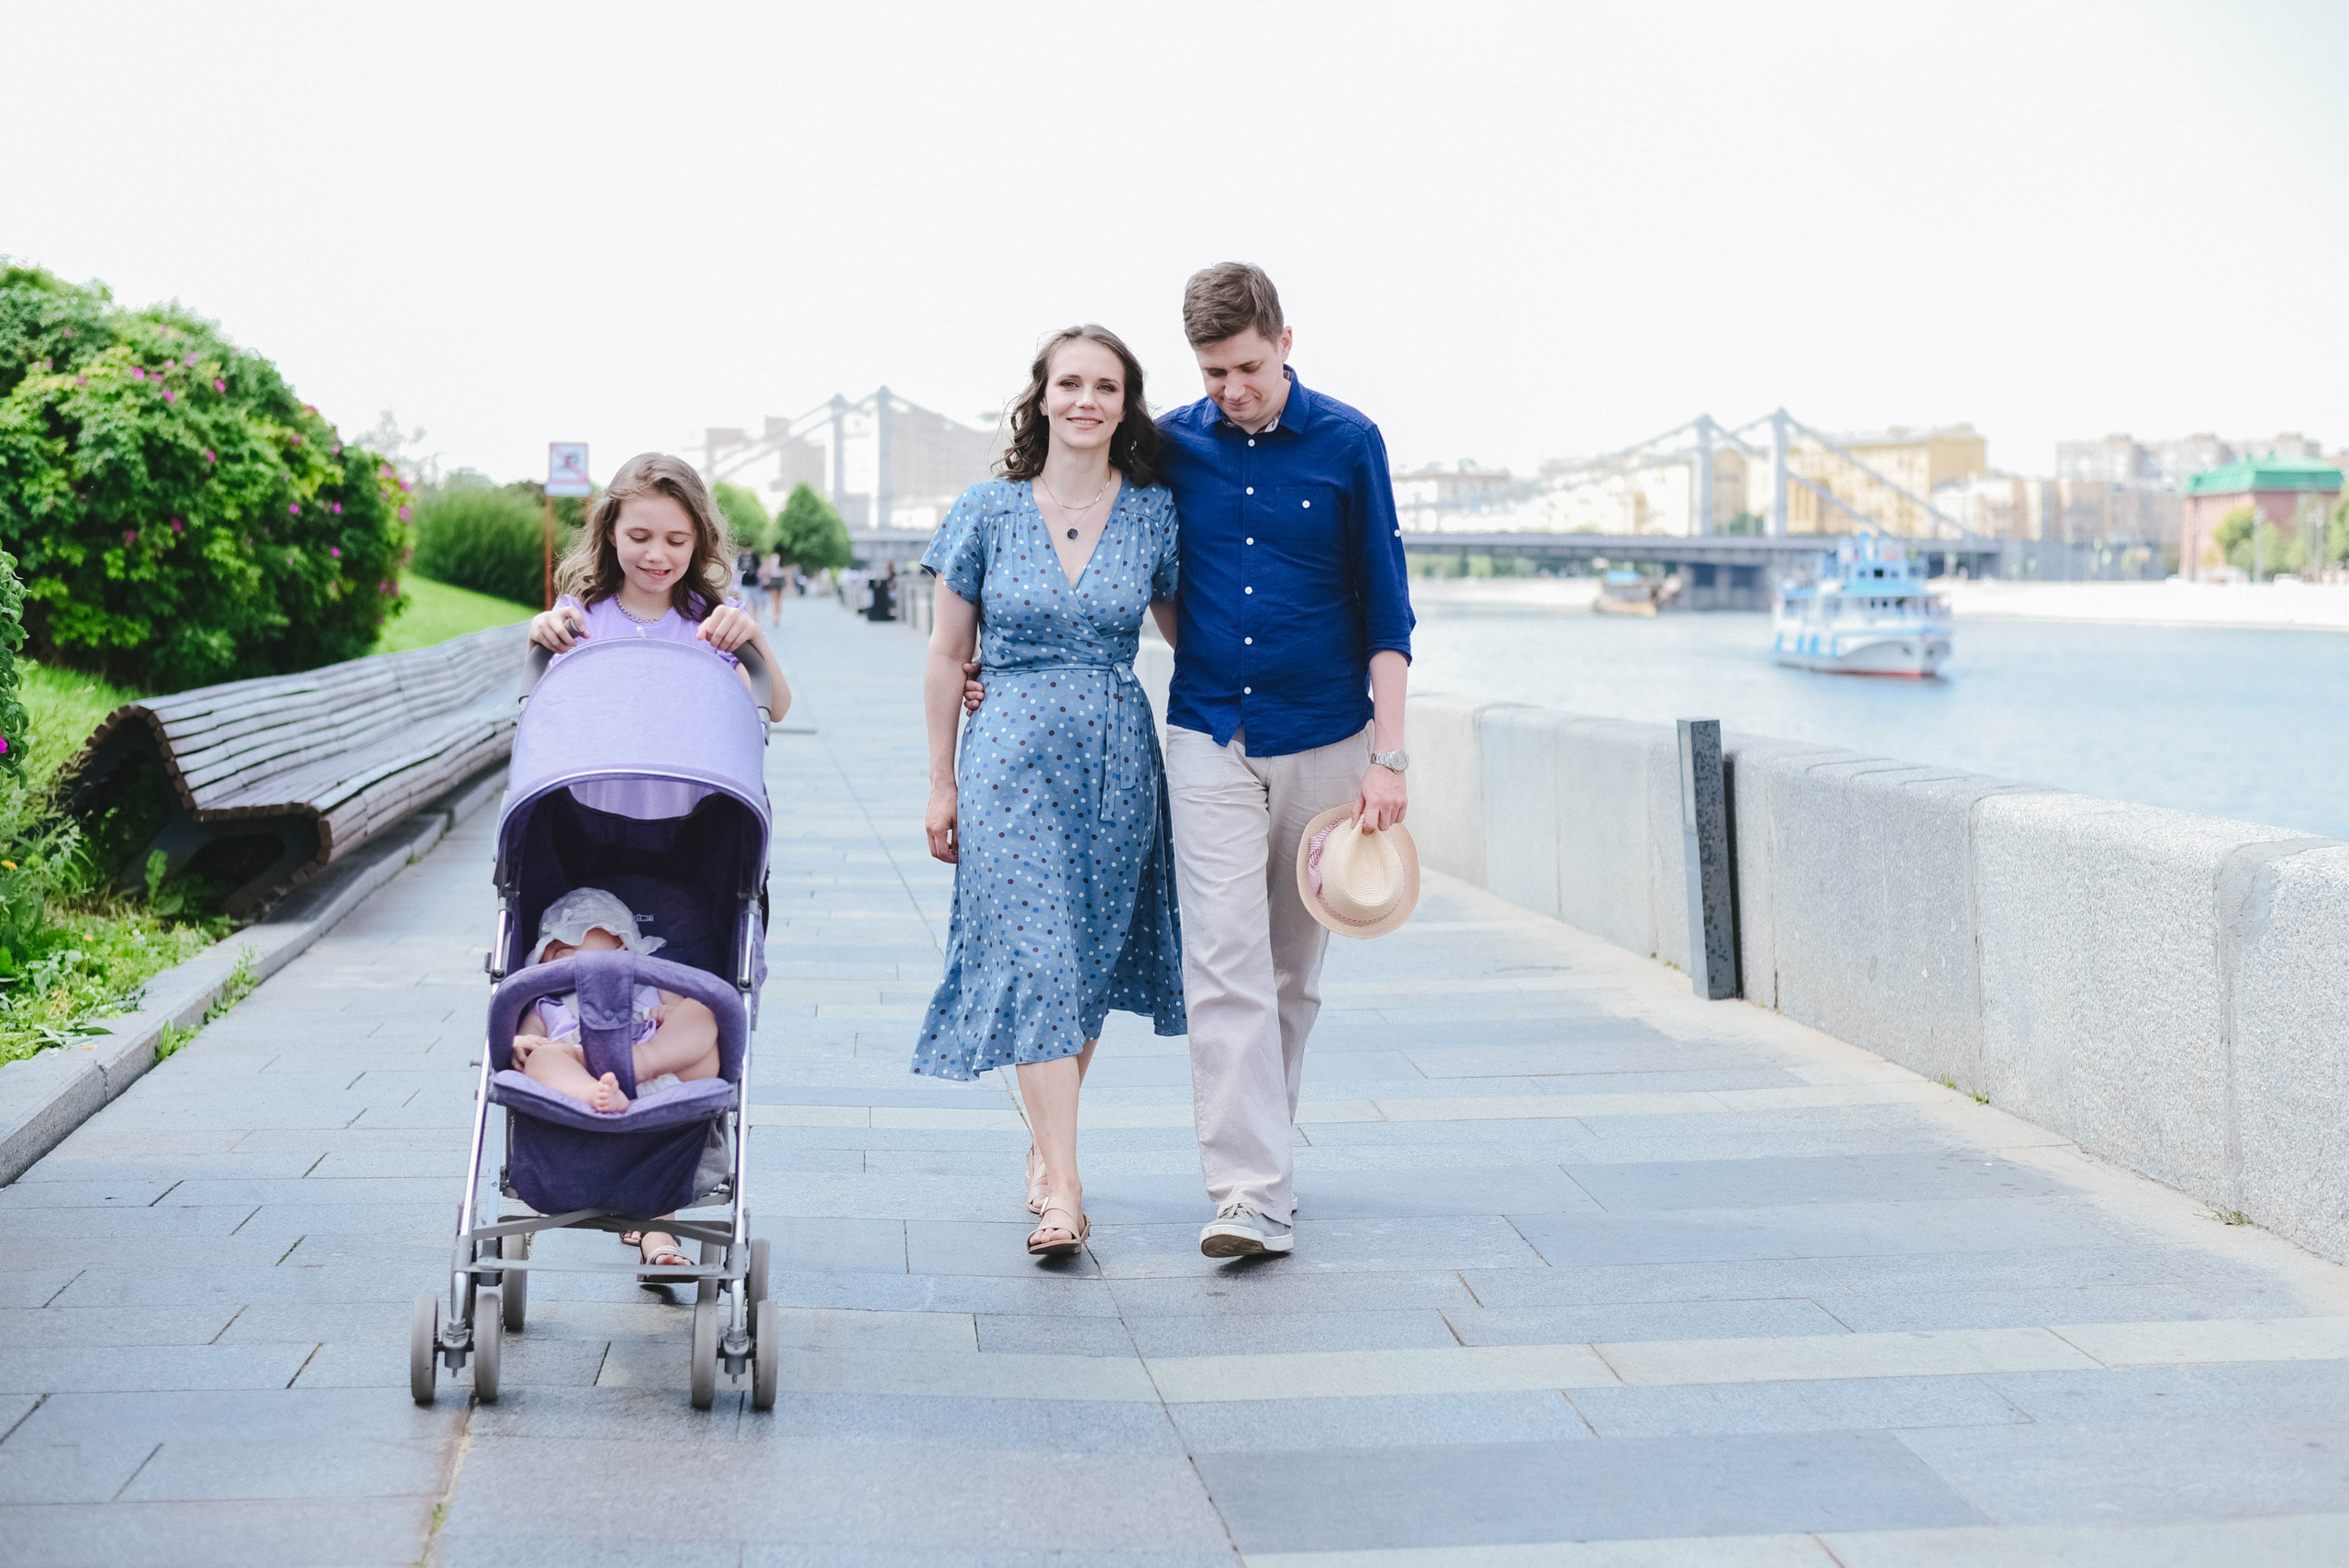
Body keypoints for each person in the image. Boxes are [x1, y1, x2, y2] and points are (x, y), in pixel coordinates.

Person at [1157, 263, 1414, 1259]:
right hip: (1210, 731)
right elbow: (1139, 570)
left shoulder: (1350, 442)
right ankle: (1249, 1193)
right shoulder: (1174, 445)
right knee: (1223, 963)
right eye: (1214, 371)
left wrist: (1387, 757)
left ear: (1286, 340)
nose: (1232, 388)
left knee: (1291, 974)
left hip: (1327, 738)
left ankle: (1268, 1160)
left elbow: (1387, 610)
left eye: (1248, 367)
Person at [913, 325, 1185, 1259]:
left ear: (1125, 403)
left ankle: (1044, 1144)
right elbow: (948, 654)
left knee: (1087, 960)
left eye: (1105, 386)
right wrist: (941, 781)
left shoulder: (1152, 513)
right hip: (1008, 760)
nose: (1086, 400)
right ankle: (1065, 1190)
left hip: (1115, 760)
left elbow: (1195, 634)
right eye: (1069, 382)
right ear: (1039, 396)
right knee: (1039, 958)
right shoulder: (986, 511)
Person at [507, 888, 723, 1282]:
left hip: (659, 1077)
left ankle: (660, 1241)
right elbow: (524, 1048)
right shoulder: (546, 1006)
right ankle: (660, 1241)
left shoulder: (655, 985)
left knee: (704, 1010)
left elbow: (687, 1017)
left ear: (626, 951)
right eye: (554, 952)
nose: (563, 957)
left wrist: (669, 1013)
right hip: (584, 1079)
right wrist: (521, 1044)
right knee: (542, 1059)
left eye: (578, 945)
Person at [527, 452, 791, 721]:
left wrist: (753, 637)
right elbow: (544, 713)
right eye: (639, 538)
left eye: (675, 541)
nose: (656, 555)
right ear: (611, 532)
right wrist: (540, 642)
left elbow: (775, 708)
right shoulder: (578, 620)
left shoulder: (719, 623)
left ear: (697, 541)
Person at [762, 550, 785, 621]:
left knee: (778, 600)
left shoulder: (780, 563)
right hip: (774, 580)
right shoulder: (770, 563)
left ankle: (777, 614)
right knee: (775, 600)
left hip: (779, 580)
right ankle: (776, 615)